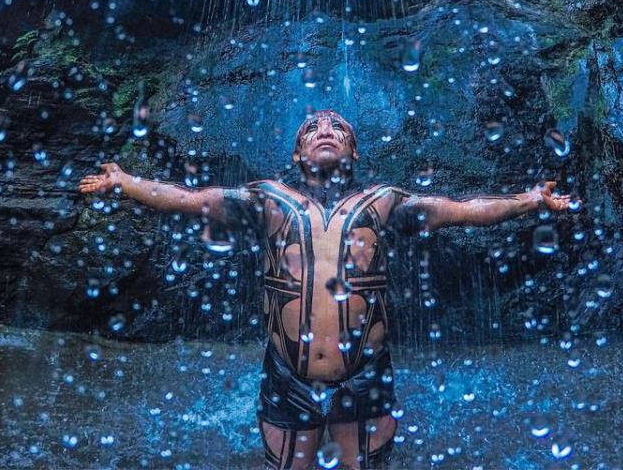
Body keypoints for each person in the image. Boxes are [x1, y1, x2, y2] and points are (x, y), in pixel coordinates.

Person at [78, 109, 576, 469]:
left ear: (353, 151)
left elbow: (461, 209)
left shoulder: (384, 203)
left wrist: (528, 200)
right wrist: (124, 181)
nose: (325, 131)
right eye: (312, 128)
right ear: (297, 153)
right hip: (287, 374)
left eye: (338, 127)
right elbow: (186, 199)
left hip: (363, 371)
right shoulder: (267, 201)